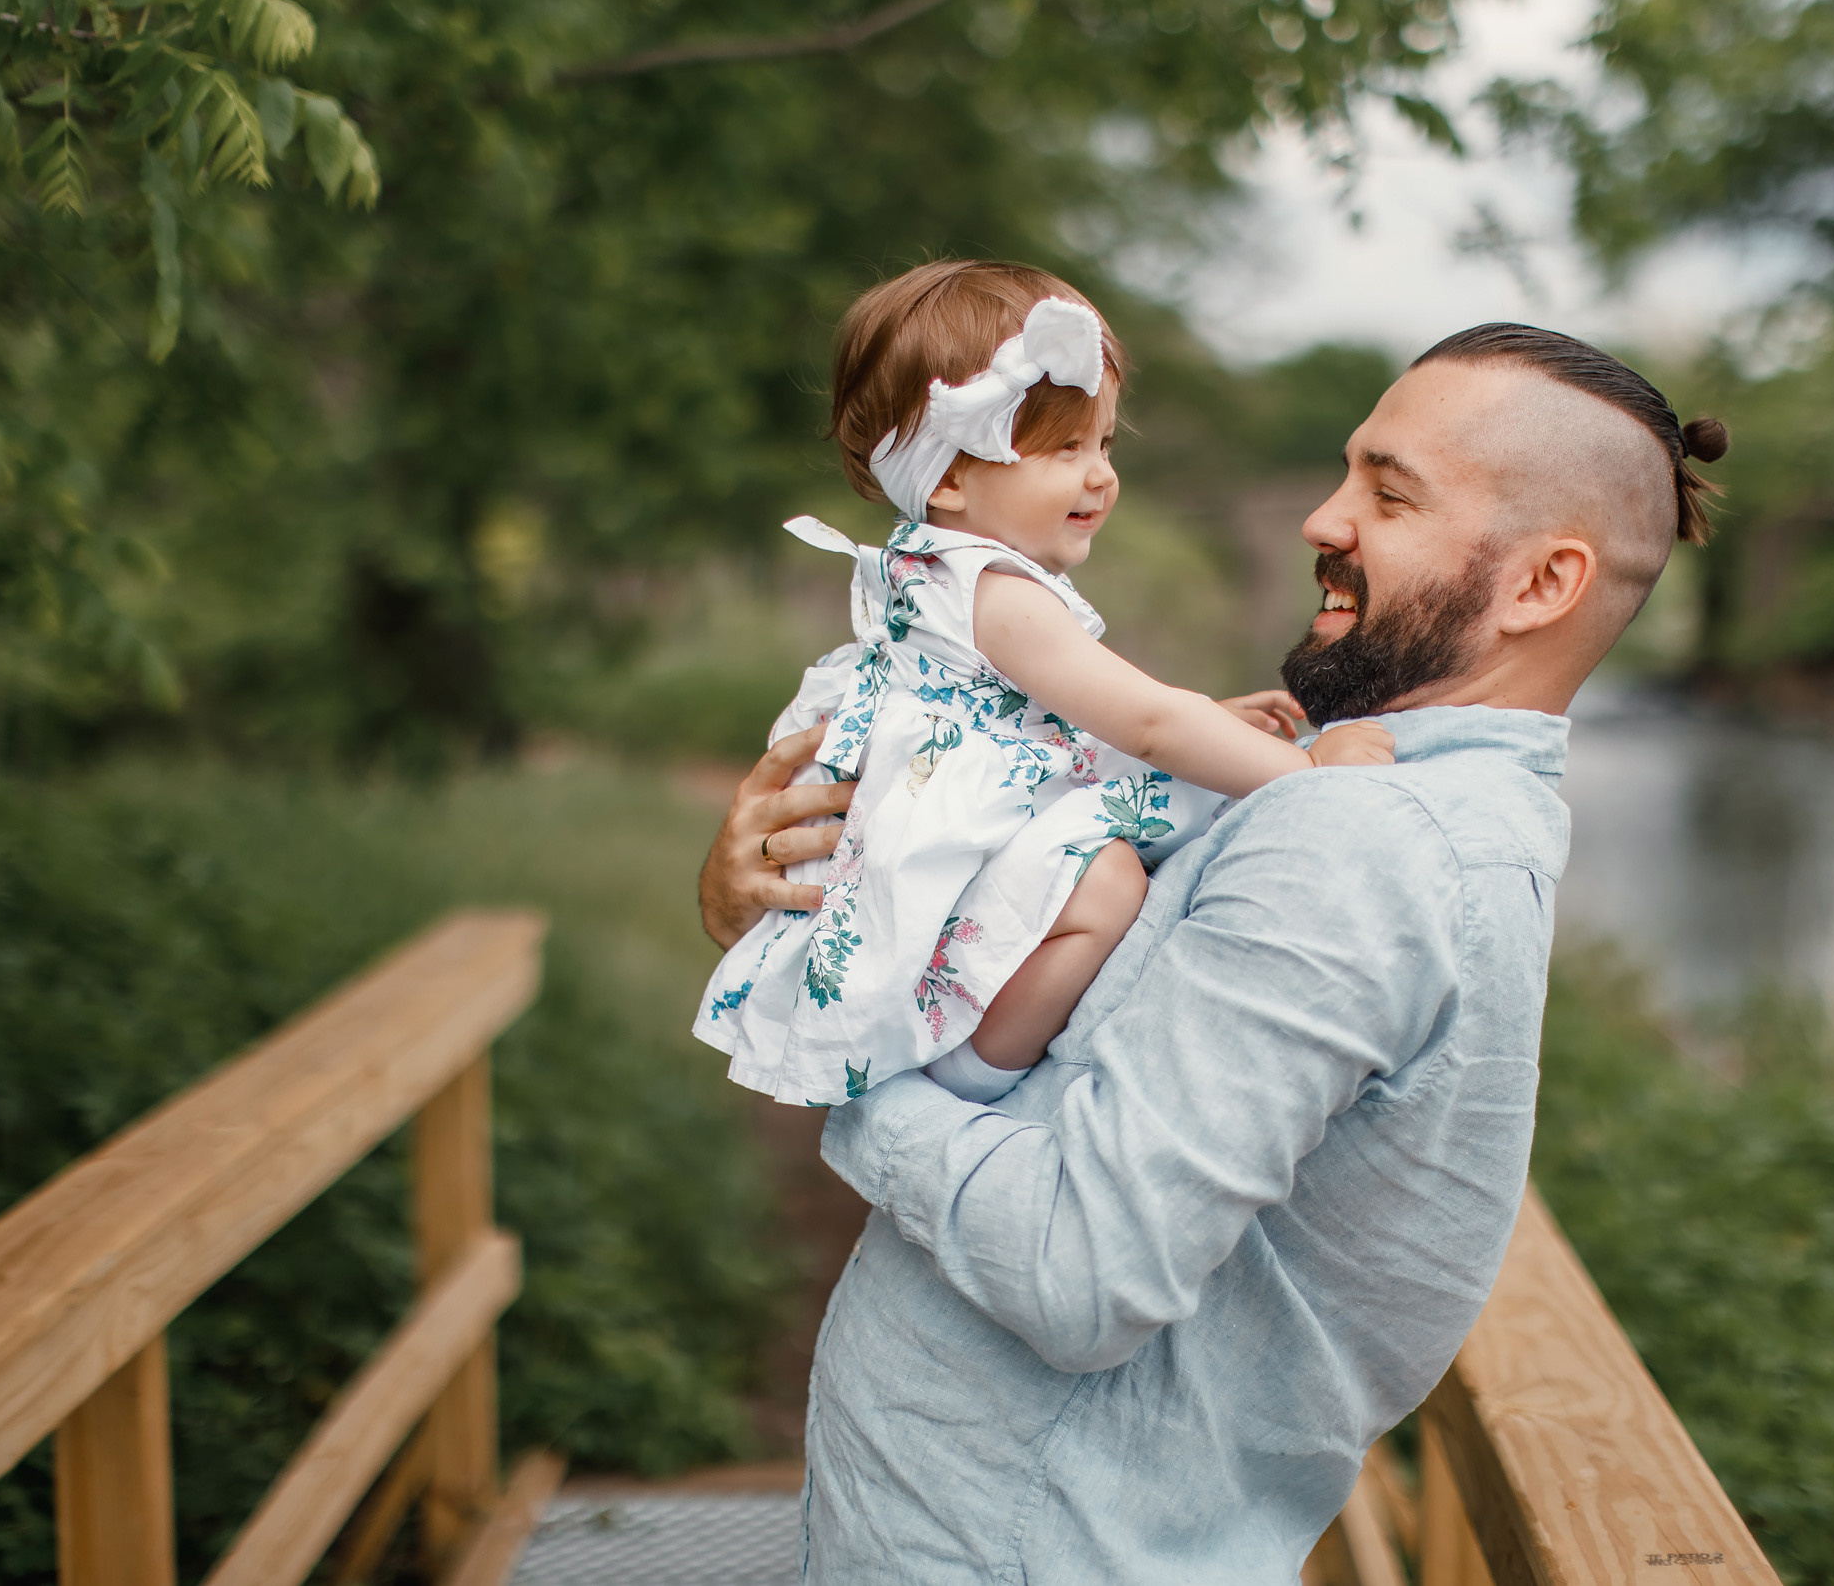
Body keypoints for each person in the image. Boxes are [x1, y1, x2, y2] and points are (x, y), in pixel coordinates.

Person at [698, 322, 1728, 1580]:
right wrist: (767, 889)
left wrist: (849, 1075)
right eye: (1346, 473)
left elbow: (1080, 1273)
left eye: (1386, 493)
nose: (1320, 518)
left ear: (1540, 586)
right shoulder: (1350, 795)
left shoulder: (1358, 836)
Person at [695, 260, 1390, 1111]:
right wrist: (1311, 777)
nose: (1101, 474)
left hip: (954, 823)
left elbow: (1064, 719)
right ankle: (980, 1069)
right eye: (1065, 448)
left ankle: (969, 1041)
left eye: (1102, 443)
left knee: (1106, 865)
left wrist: (1213, 717)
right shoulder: (996, 589)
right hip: (958, 850)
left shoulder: (942, 570)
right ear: (949, 476)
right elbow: (1143, 723)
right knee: (1105, 882)